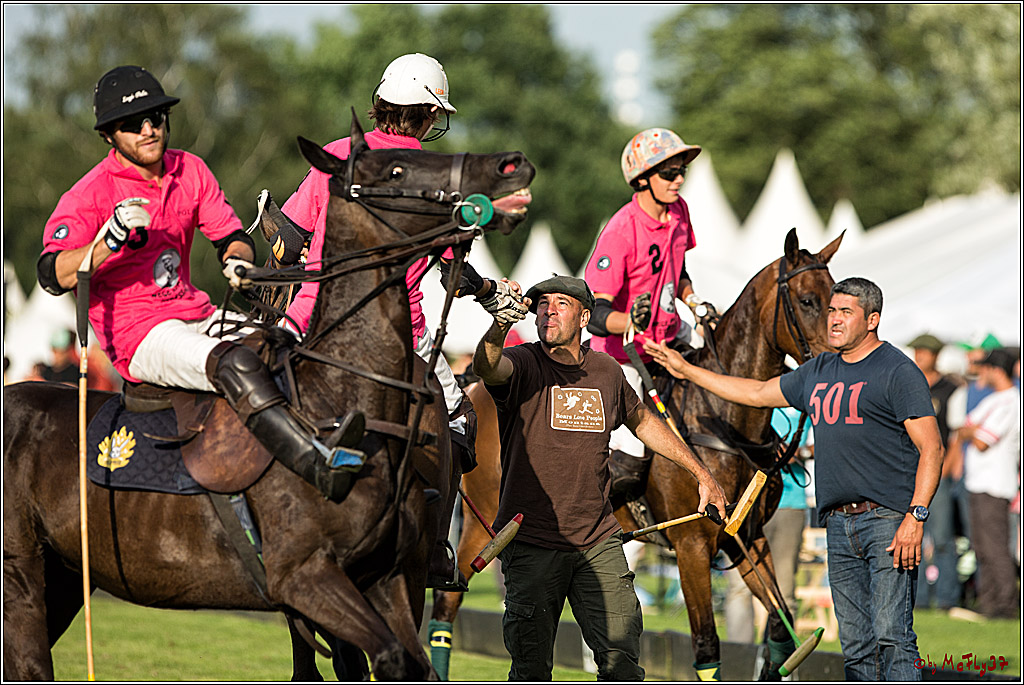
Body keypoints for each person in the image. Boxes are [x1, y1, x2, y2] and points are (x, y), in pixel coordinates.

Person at [36, 65, 357, 501]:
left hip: (195, 312)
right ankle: (314, 463)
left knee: (285, 344)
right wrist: (104, 243)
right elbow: (52, 275)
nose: (149, 130)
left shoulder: (190, 169)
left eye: (157, 118)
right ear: (109, 135)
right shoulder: (88, 194)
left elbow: (232, 238)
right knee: (237, 363)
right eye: (133, 125)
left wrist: (238, 263)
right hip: (139, 336)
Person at [277, 53, 525, 587]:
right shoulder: (431, 175)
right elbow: (451, 273)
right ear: (429, 117)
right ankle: (434, 547)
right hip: (397, 341)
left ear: (382, 104)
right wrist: (488, 294)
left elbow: (287, 239)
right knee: (459, 420)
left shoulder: (342, 156)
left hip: (310, 326)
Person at [644, 277, 943, 681]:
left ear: (872, 319)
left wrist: (916, 516)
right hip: (837, 523)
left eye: (844, 313)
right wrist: (689, 372)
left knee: (892, 636)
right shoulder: (819, 369)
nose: (832, 320)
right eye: (831, 311)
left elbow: (932, 448)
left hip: (887, 520)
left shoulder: (897, 371)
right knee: (855, 645)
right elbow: (755, 392)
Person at [472, 274, 727, 681]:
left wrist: (701, 473)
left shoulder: (607, 370)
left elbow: (643, 420)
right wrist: (500, 322)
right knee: (531, 669)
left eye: (560, 303)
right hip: (534, 542)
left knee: (622, 663)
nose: (547, 310)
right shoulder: (523, 363)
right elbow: (486, 366)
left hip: (598, 542)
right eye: (541, 303)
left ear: (585, 316)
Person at [584, 127, 715, 496]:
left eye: (682, 171)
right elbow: (595, 313)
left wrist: (694, 302)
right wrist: (631, 322)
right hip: (625, 355)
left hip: (671, 334)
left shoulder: (679, 212)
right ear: (642, 179)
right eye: (669, 173)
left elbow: (679, 268)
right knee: (628, 463)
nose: (679, 180)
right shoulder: (620, 231)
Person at [958, 347, 1020, 619]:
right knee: (982, 547)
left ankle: (1005, 604)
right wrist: (971, 431)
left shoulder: (1010, 402)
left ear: (997, 370)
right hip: (979, 482)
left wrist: (971, 431)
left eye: (986, 367)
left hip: (995, 483)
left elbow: (982, 439)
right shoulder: (994, 400)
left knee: (995, 547)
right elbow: (964, 428)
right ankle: (989, 601)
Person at [907, 333, 966, 611]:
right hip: (909, 470)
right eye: (917, 351)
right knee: (912, 535)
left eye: (925, 352)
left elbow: (956, 435)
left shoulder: (949, 388)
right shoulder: (906, 382)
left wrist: (944, 469)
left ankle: (947, 598)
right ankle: (916, 599)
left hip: (936, 471)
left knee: (942, 538)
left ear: (936, 355)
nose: (920, 356)